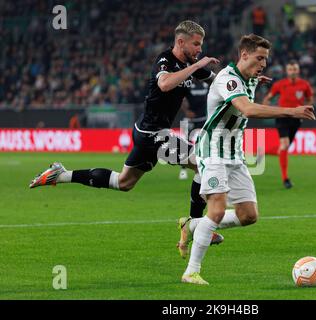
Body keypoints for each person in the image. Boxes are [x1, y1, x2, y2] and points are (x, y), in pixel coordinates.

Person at [28, 20, 223, 244]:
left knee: (123, 183)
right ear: (181, 42)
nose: (200, 50)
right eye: (196, 44)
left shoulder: (190, 63)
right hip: (154, 135)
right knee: (203, 163)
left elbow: (217, 81)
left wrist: (245, 81)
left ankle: (61, 175)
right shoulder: (165, 60)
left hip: (148, 132)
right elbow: (165, 85)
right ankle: (197, 225)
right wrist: (197, 66)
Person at [178, 34, 316, 285]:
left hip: (235, 154)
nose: (263, 64)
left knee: (249, 215)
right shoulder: (228, 79)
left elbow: (249, 89)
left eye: (266, 59)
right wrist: (292, 110)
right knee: (217, 211)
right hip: (213, 152)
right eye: (259, 58)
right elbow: (249, 109)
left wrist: (256, 79)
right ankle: (191, 271)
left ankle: (194, 225)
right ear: (244, 55)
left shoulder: (249, 78)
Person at [262, 60, 313, 189]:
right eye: (290, 69)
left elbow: (310, 99)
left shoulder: (305, 85)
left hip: (296, 119)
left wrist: (306, 108)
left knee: (283, 148)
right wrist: (265, 111)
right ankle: (285, 179)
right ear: (287, 71)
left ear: (298, 70)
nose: (293, 71)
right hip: (282, 116)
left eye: (295, 69)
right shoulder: (280, 84)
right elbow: (268, 98)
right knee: (284, 145)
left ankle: (262, 152)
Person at [178, 78, 209, 181]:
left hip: (203, 119)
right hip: (189, 119)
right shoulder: (188, 84)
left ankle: (205, 166)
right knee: (185, 143)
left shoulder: (206, 85)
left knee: (205, 142)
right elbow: (182, 99)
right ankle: (183, 169)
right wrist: (186, 111)